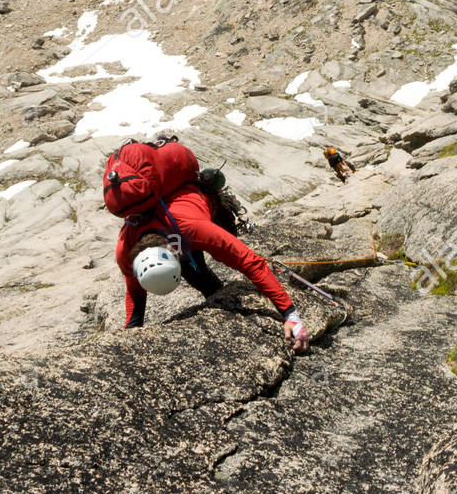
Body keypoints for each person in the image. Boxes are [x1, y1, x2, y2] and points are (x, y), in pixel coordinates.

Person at [111, 139, 310, 353]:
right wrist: (131, 334)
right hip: (178, 229)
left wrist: (291, 316)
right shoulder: (126, 250)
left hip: (204, 208)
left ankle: (216, 290)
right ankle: (217, 294)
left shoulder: (194, 228)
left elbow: (249, 261)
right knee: (199, 277)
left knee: (204, 263)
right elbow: (135, 291)